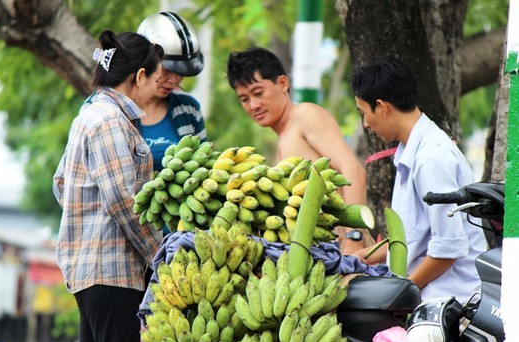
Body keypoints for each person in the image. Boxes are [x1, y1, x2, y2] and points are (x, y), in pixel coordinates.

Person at [52, 30, 164, 342]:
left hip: (89, 272)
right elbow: (121, 200)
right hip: (113, 272)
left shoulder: (90, 114)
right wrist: (160, 256)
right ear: (139, 76)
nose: (158, 89)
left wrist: (86, 218)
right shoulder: (111, 121)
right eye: (157, 79)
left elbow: (61, 184)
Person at [349, 56, 485, 304]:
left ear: (382, 106)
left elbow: (448, 249)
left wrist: (399, 293)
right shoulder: (411, 152)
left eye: (364, 113)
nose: (366, 124)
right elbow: (414, 239)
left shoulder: (431, 158)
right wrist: (361, 257)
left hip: (452, 303)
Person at [226, 47, 370, 253]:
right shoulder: (283, 137)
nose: (254, 105)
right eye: (244, 99)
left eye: (258, 93)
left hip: (346, 251)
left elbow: (353, 172)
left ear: (283, 83)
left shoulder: (305, 116)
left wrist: (353, 237)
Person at [136, 11, 207, 171]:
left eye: (181, 73)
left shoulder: (189, 108)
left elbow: (204, 165)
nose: (174, 81)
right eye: (166, 70)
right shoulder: (112, 111)